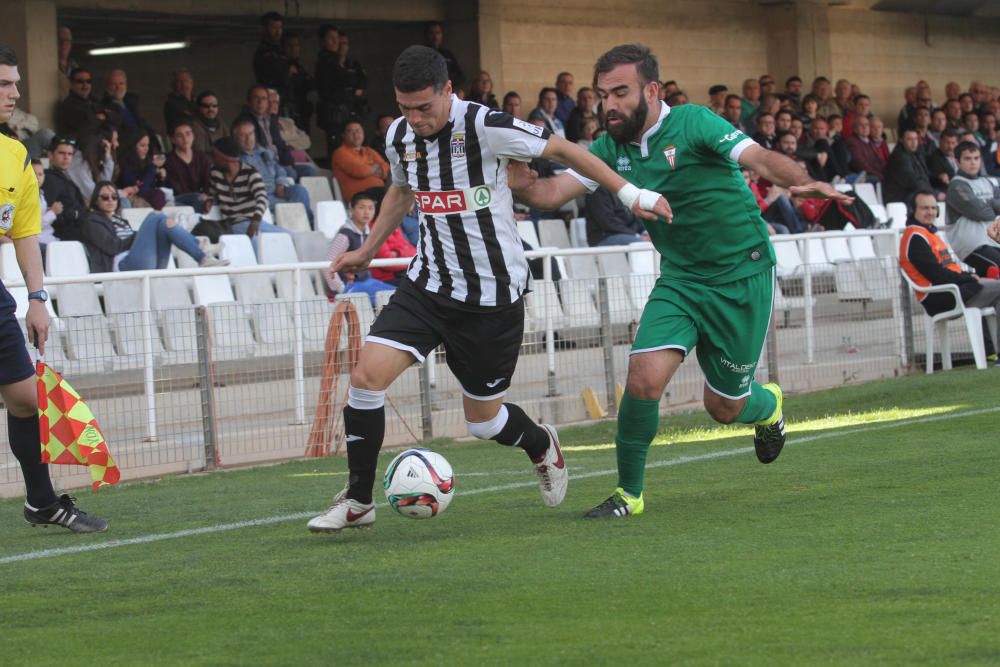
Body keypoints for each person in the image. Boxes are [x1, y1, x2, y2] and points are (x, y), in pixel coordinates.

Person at [306, 44, 670, 533]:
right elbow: (401, 188)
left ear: (448, 92)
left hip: (491, 298)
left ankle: (540, 443)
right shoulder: (398, 136)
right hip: (428, 285)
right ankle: (358, 500)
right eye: (405, 108)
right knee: (365, 381)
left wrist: (632, 193)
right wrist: (369, 249)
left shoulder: (486, 126)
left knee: (483, 421)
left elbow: (564, 150)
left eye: (424, 108)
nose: (414, 118)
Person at [510, 44, 848, 519]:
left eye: (620, 93)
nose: (609, 105)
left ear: (651, 90)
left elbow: (760, 157)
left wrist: (799, 180)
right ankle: (630, 494)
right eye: (602, 95)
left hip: (742, 274)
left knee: (724, 407)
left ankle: (767, 406)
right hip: (682, 279)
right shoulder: (609, 149)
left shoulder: (695, 122)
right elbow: (548, 193)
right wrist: (514, 174)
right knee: (643, 378)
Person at [0, 43, 107, 532]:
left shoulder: (15, 154)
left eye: (15, 82)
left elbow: (24, 233)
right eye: (5, 84)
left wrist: (38, 298)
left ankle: (41, 504)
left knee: (26, 398)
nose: (15, 93)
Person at [900, 190, 1000, 360]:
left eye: (933, 208)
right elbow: (937, 275)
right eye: (925, 208)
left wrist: (971, 276)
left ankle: (991, 351)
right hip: (940, 296)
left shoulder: (929, 234)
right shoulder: (915, 237)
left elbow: (949, 270)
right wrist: (971, 278)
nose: (931, 212)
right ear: (912, 211)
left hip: (954, 288)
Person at [79, 181, 227, 272]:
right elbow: (113, 246)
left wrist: (142, 234)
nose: (110, 200)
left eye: (114, 197)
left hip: (144, 262)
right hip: (123, 266)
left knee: (162, 223)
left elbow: (133, 240)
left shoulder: (120, 220)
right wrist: (140, 234)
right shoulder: (92, 221)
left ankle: (202, 257)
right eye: (105, 197)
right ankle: (200, 247)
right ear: (96, 201)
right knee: (156, 217)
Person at [207, 136, 291, 240]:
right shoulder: (215, 173)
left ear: (226, 159)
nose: (212, 159)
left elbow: (262, 198)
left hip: (253, 222)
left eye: (215, 156)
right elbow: (211, 193)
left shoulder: (250, 173)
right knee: (260, 243)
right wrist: (209, 200)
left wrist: (256, 220)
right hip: (233, 224)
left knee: (289, 236)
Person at [323, 192, 398, 304]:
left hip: (367, 280)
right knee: (388, 298)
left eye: (370, 208)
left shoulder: (368, 233)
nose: (366, 212)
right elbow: (327, 264)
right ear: (351, 210)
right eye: (361, 208)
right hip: (350, 285)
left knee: (397, 294)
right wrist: (340, 288)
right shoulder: (345, 235)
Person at [944, 141, 1000, 277]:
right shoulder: (956, 185)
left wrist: (985, 204)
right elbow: (979, 212)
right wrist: (993, 205)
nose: (973, 162)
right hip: (972, 246)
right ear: (957, 162)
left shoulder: (988, 182)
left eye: (976, 158)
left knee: (989, 282)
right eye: (968, 159)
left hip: (993, 241)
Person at [331, 119, 389, 204]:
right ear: (343, 135)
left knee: (405, 192)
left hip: (378, 192)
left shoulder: (368, 150)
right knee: (394, 198)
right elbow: (360, 171)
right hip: (359, 197)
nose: (356, 134)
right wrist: (376, 166)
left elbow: (387, 169)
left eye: (358, 130)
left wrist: (368, 169)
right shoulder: (340, 152)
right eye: (351, 131)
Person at [165, 121, 212, 212]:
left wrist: (206, 194)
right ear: (173, 139)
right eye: (180, 135)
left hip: (199, 199)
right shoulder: (168, 160)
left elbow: (208, 182)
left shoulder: (202, 158)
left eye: (188, 134)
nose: (185, 138)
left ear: (193, 136)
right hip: (178, 200)